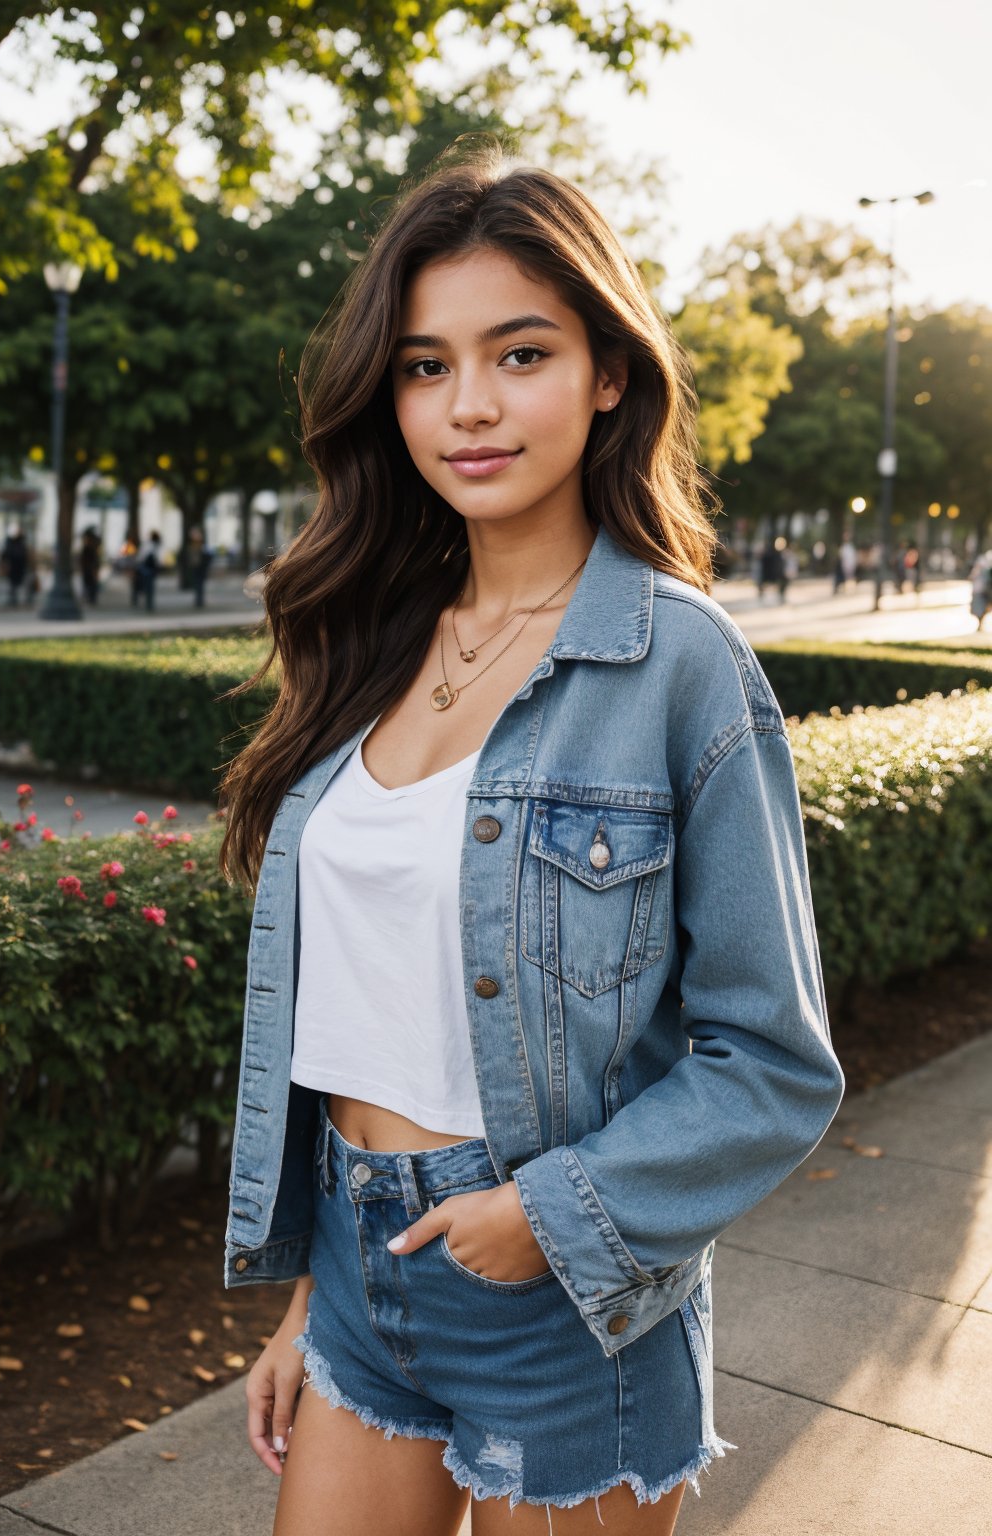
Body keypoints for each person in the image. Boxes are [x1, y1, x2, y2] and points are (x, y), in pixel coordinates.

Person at [218, 146, 844, 1536]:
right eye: (427, 366)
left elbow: (774, 1060)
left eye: (521, 353)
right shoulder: (371, 643)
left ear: (607, 373)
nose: (471, 406)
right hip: (360, 1267)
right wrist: (318, 1297)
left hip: (568, 1303)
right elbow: (369, 1019)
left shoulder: (679, 665)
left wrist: (544, 1219)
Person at [0, 526, 28, 607]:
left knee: (14, 584)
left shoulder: (17, 543)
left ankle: (13, 599)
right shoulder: (16, 543)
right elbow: (5, 555)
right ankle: (13, 599)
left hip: (16, 567)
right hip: (14, 567)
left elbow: (5, 554)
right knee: (13, 584)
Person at [135, 530, 162, 611]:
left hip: (146, 568)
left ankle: (148, 604)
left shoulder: (148, 545)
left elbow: (141, 557)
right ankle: (149, 604)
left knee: (147, 586)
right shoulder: (156, 545)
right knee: (150, 587)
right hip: (151, 568)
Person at [187, 525, 213, 608]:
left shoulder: (202, 547)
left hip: (200, 568)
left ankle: (199, 601)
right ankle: (199, 601)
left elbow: (207, 557)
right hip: (197, 568)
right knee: (198, 585)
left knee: (199, 585)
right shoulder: (194, 547)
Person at [968, 549, 992, 631]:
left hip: (981, 589)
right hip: (984, 589)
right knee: (982, 608)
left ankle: (980, 623)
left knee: (981, 607)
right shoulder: (985, 559)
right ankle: (980, 623)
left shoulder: (983, 560)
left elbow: (973, 575)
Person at [79, 526, 102, 605]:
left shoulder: (92, 547)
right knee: (89, 583)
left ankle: (92, 598)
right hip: (88, 568)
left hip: (91, 568)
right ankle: (90, 598)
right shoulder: (88, 548)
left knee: (92, 583)